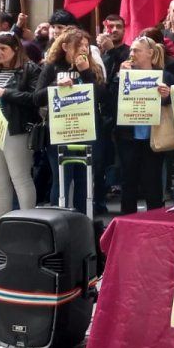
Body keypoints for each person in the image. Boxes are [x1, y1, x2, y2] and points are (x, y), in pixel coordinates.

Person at [35, 28, 107, 213]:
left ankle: (83, 221)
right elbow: (36, 98)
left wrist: (85, 72)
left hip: (86, 130)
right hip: (60, 131)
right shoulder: (52, 67)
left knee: (84, 180)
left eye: (86, 46)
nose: (83, 49)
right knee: (61, 180)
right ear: (65, 47)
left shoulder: (93, 67)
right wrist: (55, 85)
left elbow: (102, 97)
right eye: (79, 45)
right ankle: (59, 222)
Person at [0, 34, 41, 240]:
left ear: (15, 49)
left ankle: (29, 225)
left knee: (20, 178)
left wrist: (6, 93)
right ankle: (2, 224)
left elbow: (36, 98)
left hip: (16, 129)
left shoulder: (30, 69)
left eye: (3, 49)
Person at [109, 36, 173, 214]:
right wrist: (119, 78)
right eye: (131, 50)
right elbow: (110, 101)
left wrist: (166, 96)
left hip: (154, 137)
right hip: (128, 137)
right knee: (128, 180)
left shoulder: (164, 76)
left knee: (153, 181)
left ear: (150, 53)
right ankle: (127, 219)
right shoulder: (123, 73)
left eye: (136, 50)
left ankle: (156, 218)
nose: (132, 53)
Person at [100, 14, 130, 80]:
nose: (115, 30)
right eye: (110, 26)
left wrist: (111, 50)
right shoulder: (98, 52)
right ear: (104, 31)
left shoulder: (131, 52)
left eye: (119, 27)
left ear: (124, 31)